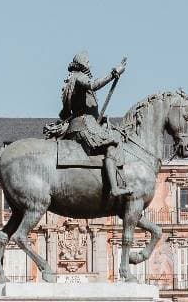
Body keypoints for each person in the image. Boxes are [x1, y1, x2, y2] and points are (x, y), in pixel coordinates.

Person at [44, 51, 130, 198]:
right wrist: (114, 73)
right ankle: (115, 188)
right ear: (83, 64)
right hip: (84, 125)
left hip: (81, 123)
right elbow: (93, 85)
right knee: (112, 144)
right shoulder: (79, 77)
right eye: (88, 62)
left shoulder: (72, 79)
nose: (90, 65)